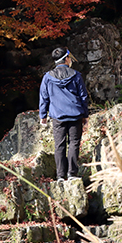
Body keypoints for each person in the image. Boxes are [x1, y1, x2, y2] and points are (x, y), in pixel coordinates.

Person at [39, 47, 89, 182]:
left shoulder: (47, 77)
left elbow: (44, 97)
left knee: (59, 145)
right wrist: (85, 115)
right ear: (66, 59)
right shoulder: (76, 75)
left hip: (57, 116)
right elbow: (83, 96)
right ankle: (72, 173)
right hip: (75, 114)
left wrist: (43, 116)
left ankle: (61, 175)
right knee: (74, 143)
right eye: (69, 58)